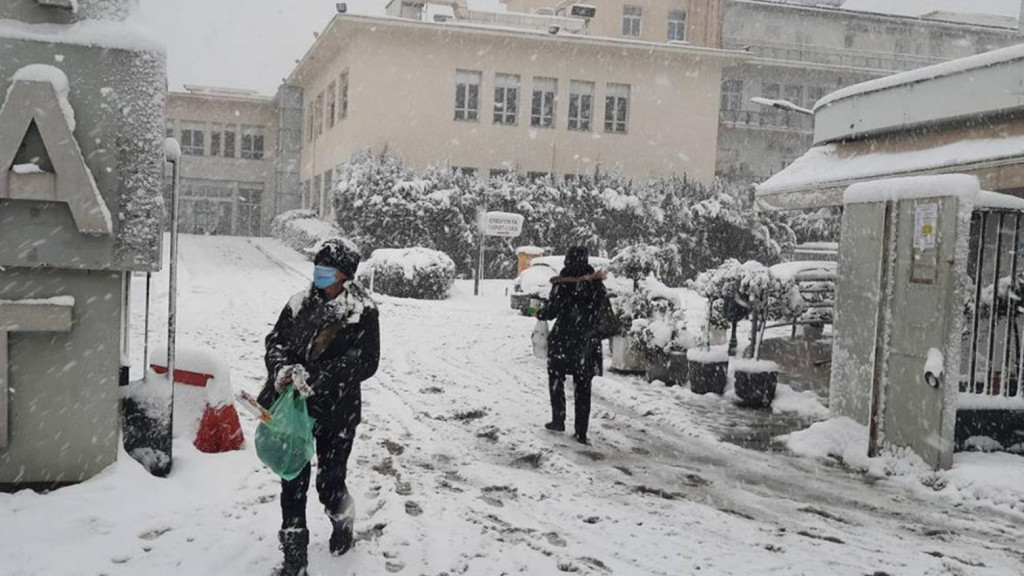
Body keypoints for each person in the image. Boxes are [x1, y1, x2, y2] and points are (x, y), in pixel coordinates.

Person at [258, 238, 380, 576]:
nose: (319, 272)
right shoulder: (299, 304)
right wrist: (282, 369)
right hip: (295, 409)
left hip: (337, 411)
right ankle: (294, 556)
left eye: (327, 268)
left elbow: (367, 362)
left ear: (344, 275)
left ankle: (342, 517)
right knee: (292, 477)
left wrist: (321, 375)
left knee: (330, 482)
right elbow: (275, 342)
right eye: (318, 265)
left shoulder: (362, 312)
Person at [536, 246, 609, 445]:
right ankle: (581, 431)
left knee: (556, 378)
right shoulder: (596, 283)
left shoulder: (563, 282)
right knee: (583, 386)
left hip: (564, 339)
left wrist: (541, 313)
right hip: (588, 341)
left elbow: (552, 310)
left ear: (568, 260)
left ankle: (558, 420)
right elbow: (604, 312)